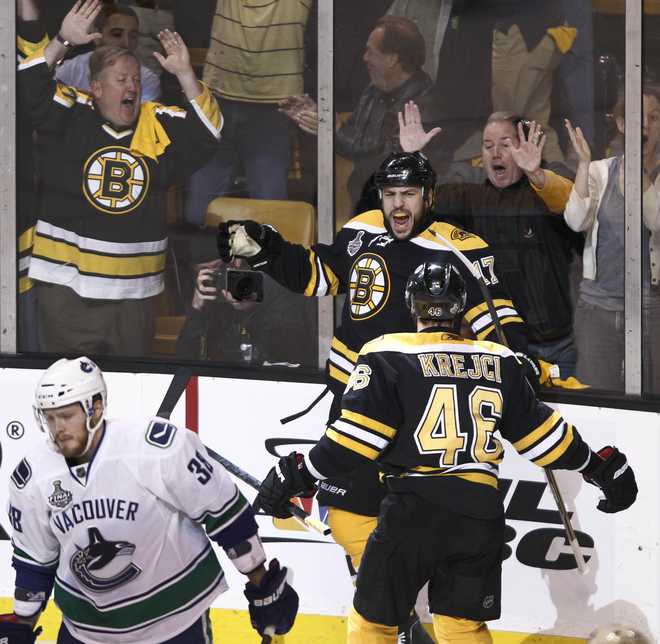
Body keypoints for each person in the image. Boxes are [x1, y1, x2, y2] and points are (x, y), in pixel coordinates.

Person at [217, 151, 537, 641]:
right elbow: (321, 275)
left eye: (408, 195)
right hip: (357, 403)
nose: (398, 206)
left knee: (421, 525)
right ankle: (401, 615)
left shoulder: (464, 249)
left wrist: (520, 361)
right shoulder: (362, 230)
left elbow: (497, 321)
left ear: (429, 196)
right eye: (390, 195)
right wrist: (267, 249)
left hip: (425, 411)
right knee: (346, 518)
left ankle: (399, 612)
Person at [255, 260, 638, 644]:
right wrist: (596, 466)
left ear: (411, 305)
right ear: (459, 307)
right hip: (479, 514)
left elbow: (356, 439)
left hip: (414, 511)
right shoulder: (498, 360)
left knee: (373, 623)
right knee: (462, 627)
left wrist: (298, 474)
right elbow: (543, 438)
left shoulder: (386, 353)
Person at [0, 356, 299, 643]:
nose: (58, 429)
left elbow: (224, 513)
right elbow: (35, 560)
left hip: (175, 622)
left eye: (66, 416)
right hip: (85, 632)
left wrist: (261, 581)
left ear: (96, 408)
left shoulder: (156, 449)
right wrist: (24, 622)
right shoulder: (32, 475)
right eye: (50, 418)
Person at [19, 0, 222, 356]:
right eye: (120, 80)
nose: (132, 87)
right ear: (96, 88)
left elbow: (208, 134)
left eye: (135, 80)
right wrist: (63, 41)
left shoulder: (155, 120)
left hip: (134, 293)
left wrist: (186, 74)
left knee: (128, 397)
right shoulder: (72, 112)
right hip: (66, 289)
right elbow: (27, 89)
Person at [399, 102, 581, 378]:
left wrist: (535, 173)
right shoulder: (471, 197)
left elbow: (572, 204)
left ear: (524, 148)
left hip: (558, 348)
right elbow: (419, 203)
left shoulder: (546, 183)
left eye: (505, 145)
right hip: (503, 348)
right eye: (487, 146)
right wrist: (414, 156)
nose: (495, 153)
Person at [279, 16, 462, 211]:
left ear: (392, 59)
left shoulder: (421, 106)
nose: (364, 57)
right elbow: (352, 132)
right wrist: (318, 116)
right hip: (366, 201)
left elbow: (380, 156)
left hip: (400, 209)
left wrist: (329, 128)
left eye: (370, 52)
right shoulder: (374, 90)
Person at [564, 86, 660, 393]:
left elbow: (656, 220)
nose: (645, 124)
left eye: (654, 117)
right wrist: (581, 165)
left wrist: (639, 167)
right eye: (636, 117)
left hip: (650, 309)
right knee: (597, 395)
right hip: (597, 308)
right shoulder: (598, 171)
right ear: (621, 124)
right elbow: (575, 220)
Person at [182, 0, 312, 226]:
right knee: (198, 214)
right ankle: (211, 259)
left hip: (274, 109)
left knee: (271, 217)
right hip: (218, 102)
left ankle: (261, 261)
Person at [175, 258, 317, 366]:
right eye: (230, 272)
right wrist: (197, 307)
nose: (238, 283)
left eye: (245, 272)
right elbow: (184, 359)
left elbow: (288, 357)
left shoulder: (285, 299)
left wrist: (255, 303)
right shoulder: (218, 306)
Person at [55, 4, 161, 102]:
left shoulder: (147, 80)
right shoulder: (72, 69)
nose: (126, 43)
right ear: (97, 36)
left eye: (133, 36)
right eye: (117, 34)